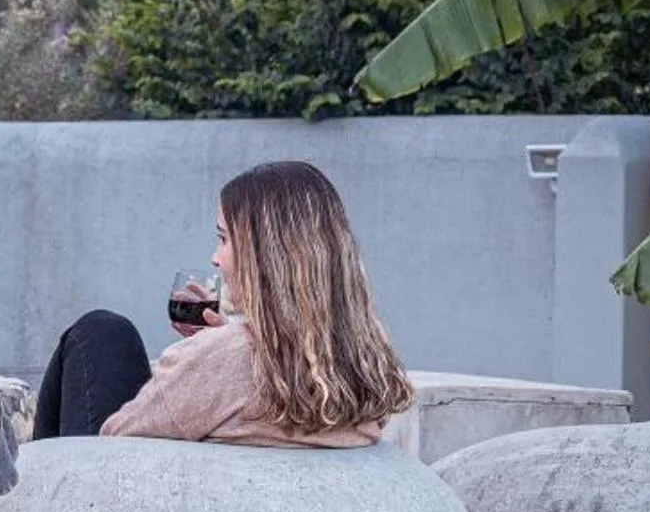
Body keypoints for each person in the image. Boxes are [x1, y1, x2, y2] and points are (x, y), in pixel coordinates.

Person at [34, 160, 411, 447]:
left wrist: (202, 354)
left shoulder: (227, 358)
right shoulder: (365, 363)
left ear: (267, 254)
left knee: (101, 333)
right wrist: (225, 339)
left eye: (224, 239)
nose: (217, 259)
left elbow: (115, 442)